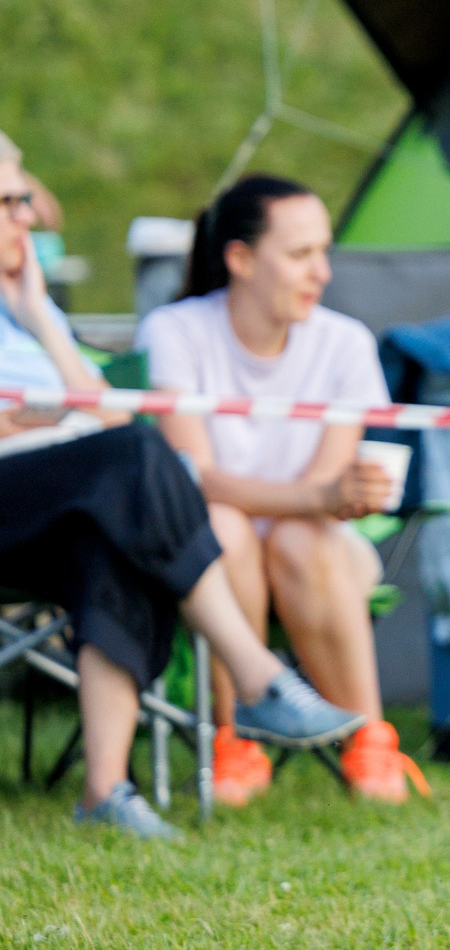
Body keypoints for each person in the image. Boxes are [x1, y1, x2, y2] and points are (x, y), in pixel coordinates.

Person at [1, 145, 364, 838]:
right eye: (8, 204)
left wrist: (41, 316)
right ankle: (255, 676)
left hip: (50, 508)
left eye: (23, 199)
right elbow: (112, 432)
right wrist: (22, 418)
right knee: (140, 452)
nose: (27, 217)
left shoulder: (20, 305)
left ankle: (104, 792)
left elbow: (105, 413)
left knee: (113, 527)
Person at [137, 174, 425, 805]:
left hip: (318, 552)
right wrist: (321, 498)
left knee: (299, 536)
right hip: (215, 546)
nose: (320, 272)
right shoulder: (175, 332)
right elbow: (195, 476)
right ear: (239, 258)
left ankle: (370, 741)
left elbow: (326, 488)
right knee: (222, 525)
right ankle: (235, 740)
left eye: (323, 252)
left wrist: (336, 497)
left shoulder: (344, 343)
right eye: (300, 255)